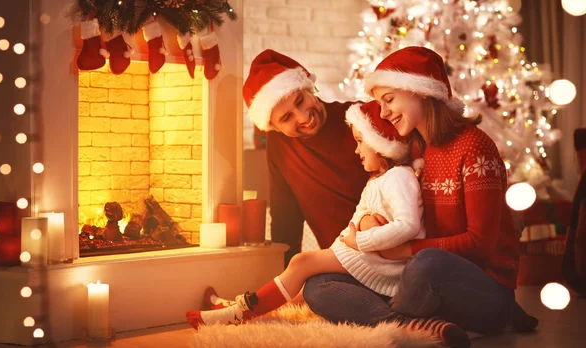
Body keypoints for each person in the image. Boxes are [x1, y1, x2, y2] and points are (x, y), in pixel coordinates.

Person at [187, 101, 470, 347]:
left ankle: (236, 312)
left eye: (361, 141)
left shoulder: (398, 177)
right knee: (311, 286)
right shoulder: (380, 179)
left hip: (383, 264)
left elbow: (408, 226)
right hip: (364, 256)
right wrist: (359, 230)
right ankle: (243, 307)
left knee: (301, 263)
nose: (356, 149)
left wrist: (362, 240)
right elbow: (356, 222)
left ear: (381, 143)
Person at [302, 46, 538, 336]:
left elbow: (480, 243)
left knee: (426, 264)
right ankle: (415, 326)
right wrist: (366, 225)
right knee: (318, 284)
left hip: (480, 288)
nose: (384, 112)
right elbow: (382, 198)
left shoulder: (475, 147)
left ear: (423, 91)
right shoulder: (414, 148)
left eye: (389, 100)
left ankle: (397, 320)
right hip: (417, 280)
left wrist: (402, 250)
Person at [242, 49, 369, 266]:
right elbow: (285, 218)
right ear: (274, 127)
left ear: (309, 88)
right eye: (286, 117)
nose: (303, 117)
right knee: (314, 289)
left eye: (300, 101)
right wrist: (286, 278)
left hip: (387, 253)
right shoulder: (280, 145)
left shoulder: (359, 117)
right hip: (340, 263)